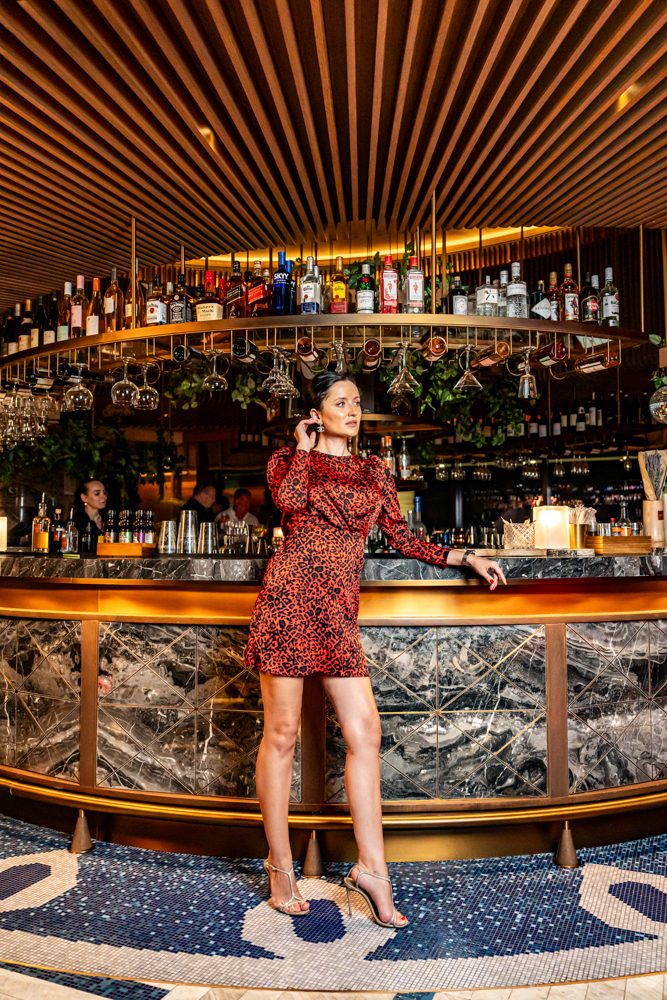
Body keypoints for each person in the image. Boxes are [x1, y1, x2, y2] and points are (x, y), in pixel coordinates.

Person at [244, 371, 506, 926]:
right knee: (282, 735)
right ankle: (280, 866)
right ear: (317, 413)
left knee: (366, 732)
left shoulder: (375, 471)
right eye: (340, 402)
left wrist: (466, 557)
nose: (353, 410)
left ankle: (371, 868)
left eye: (357, 403)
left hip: (338, 614)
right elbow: (288, 504)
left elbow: (403, 538)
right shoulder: (287, 461)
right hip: (289, 599)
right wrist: (302, 448)